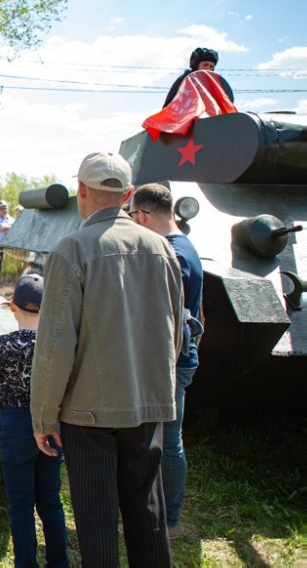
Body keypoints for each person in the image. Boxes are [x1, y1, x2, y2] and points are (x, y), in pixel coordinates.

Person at [29, 152, 182, 567]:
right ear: (129, 195)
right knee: (147, 512)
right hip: (146, 403)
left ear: (80, 191)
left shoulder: (71, 250)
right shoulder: (161, 247)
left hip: (88, 413)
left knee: (96, 519)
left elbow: (55, 346)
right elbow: (176, 331)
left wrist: (43, 417)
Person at [0, 274, 69, 568]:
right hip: (52, 423)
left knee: (20, 504)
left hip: (16, 425)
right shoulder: (59, 345)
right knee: (50, 500)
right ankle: (59, 562)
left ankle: (26, 564)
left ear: (11, 306)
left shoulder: (4, 344)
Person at [129, 183, 204, 538]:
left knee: (167, 443)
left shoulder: (169, 253)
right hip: (179, 356)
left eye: (132, 218)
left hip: (169, 360)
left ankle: (169, 519)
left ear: (142, 215)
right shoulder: (185, 245)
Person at [163, 47, 234, 107]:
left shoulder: (215, 85)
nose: (208, 69)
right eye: (205, 65)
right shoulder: (184, 81)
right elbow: (169, 106)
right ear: (196, 64)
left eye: (211, 66)